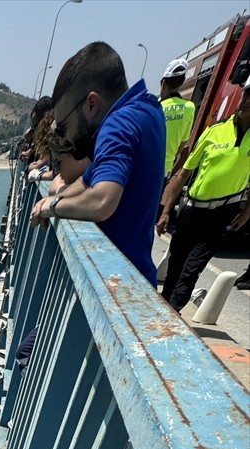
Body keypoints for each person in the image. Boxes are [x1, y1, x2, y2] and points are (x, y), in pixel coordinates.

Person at [29, 42, 165, 285]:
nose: (66, 137)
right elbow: (87, 180)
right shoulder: (147, 108)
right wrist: (51, 199)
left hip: (119, 286)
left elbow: (102, 200)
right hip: (134, 276)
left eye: (63, 125)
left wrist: (53, 208)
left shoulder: (117, 125)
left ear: (91, 103)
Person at [158, 85, 250, 313]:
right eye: (246, 94)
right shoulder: (215, 131)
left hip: (223, 212)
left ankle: (173, 312)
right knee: (176, 265)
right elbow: (184, 173)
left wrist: (247, 212)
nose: (247, 101)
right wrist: (166, 210)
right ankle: (162, 308)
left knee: (192, 269)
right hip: (192, 209)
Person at [159, 59, 196, 179]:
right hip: (164, 171)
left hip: (143, 166)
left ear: (163, 83)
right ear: (182, 82)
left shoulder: (156, 107)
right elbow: (182, 146)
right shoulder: (189, 107)